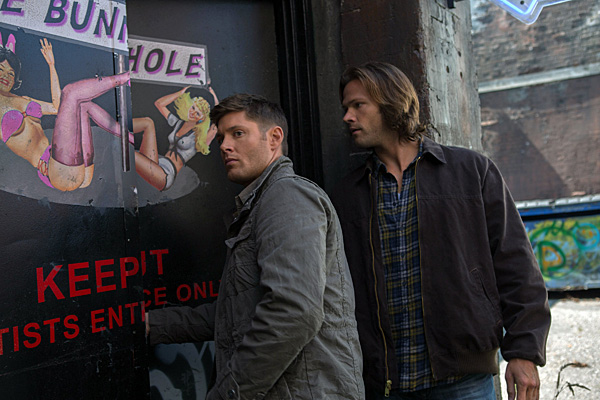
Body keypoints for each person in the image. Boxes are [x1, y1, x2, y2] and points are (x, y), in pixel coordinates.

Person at [331, 61, 551, 400]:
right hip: (383, 384)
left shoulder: (470, 171)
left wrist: (523, 351)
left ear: (392, 103)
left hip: (462, 380)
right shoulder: (348, 194)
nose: (348, 117)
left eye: (358, 105)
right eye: (346, 107)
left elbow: (516, 265)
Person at [147, 93, 365, 399]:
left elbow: (293, 313)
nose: (224, 146)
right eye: (221, 137)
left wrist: (227, 395)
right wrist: (149, 325)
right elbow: (232, 315)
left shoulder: (287, 196)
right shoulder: (262, 203)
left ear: (274, 138)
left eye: (237, 133)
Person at [0, 34, 130, 191]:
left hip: (72, 164)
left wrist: (51, 65)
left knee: (82, 105)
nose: (6, 76)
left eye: (11, 73)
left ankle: (129, 137)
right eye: (1, 70)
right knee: (71, 92)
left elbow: (58, 107)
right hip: (56, 170)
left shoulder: (24, 99)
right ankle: (125, 78)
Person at [132, 84, 218, 191]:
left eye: (197, 113)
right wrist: (181, 93)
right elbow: (159, 104)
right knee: (148, 123)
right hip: (157, 163)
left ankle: (116, 136)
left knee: (130, 154)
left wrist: (213, 95)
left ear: (202, 119)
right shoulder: (178, 123)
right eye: (193, 108)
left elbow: (216, 126)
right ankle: (119, 129)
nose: (193, 113)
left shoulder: (198, 138)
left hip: (166, 174)